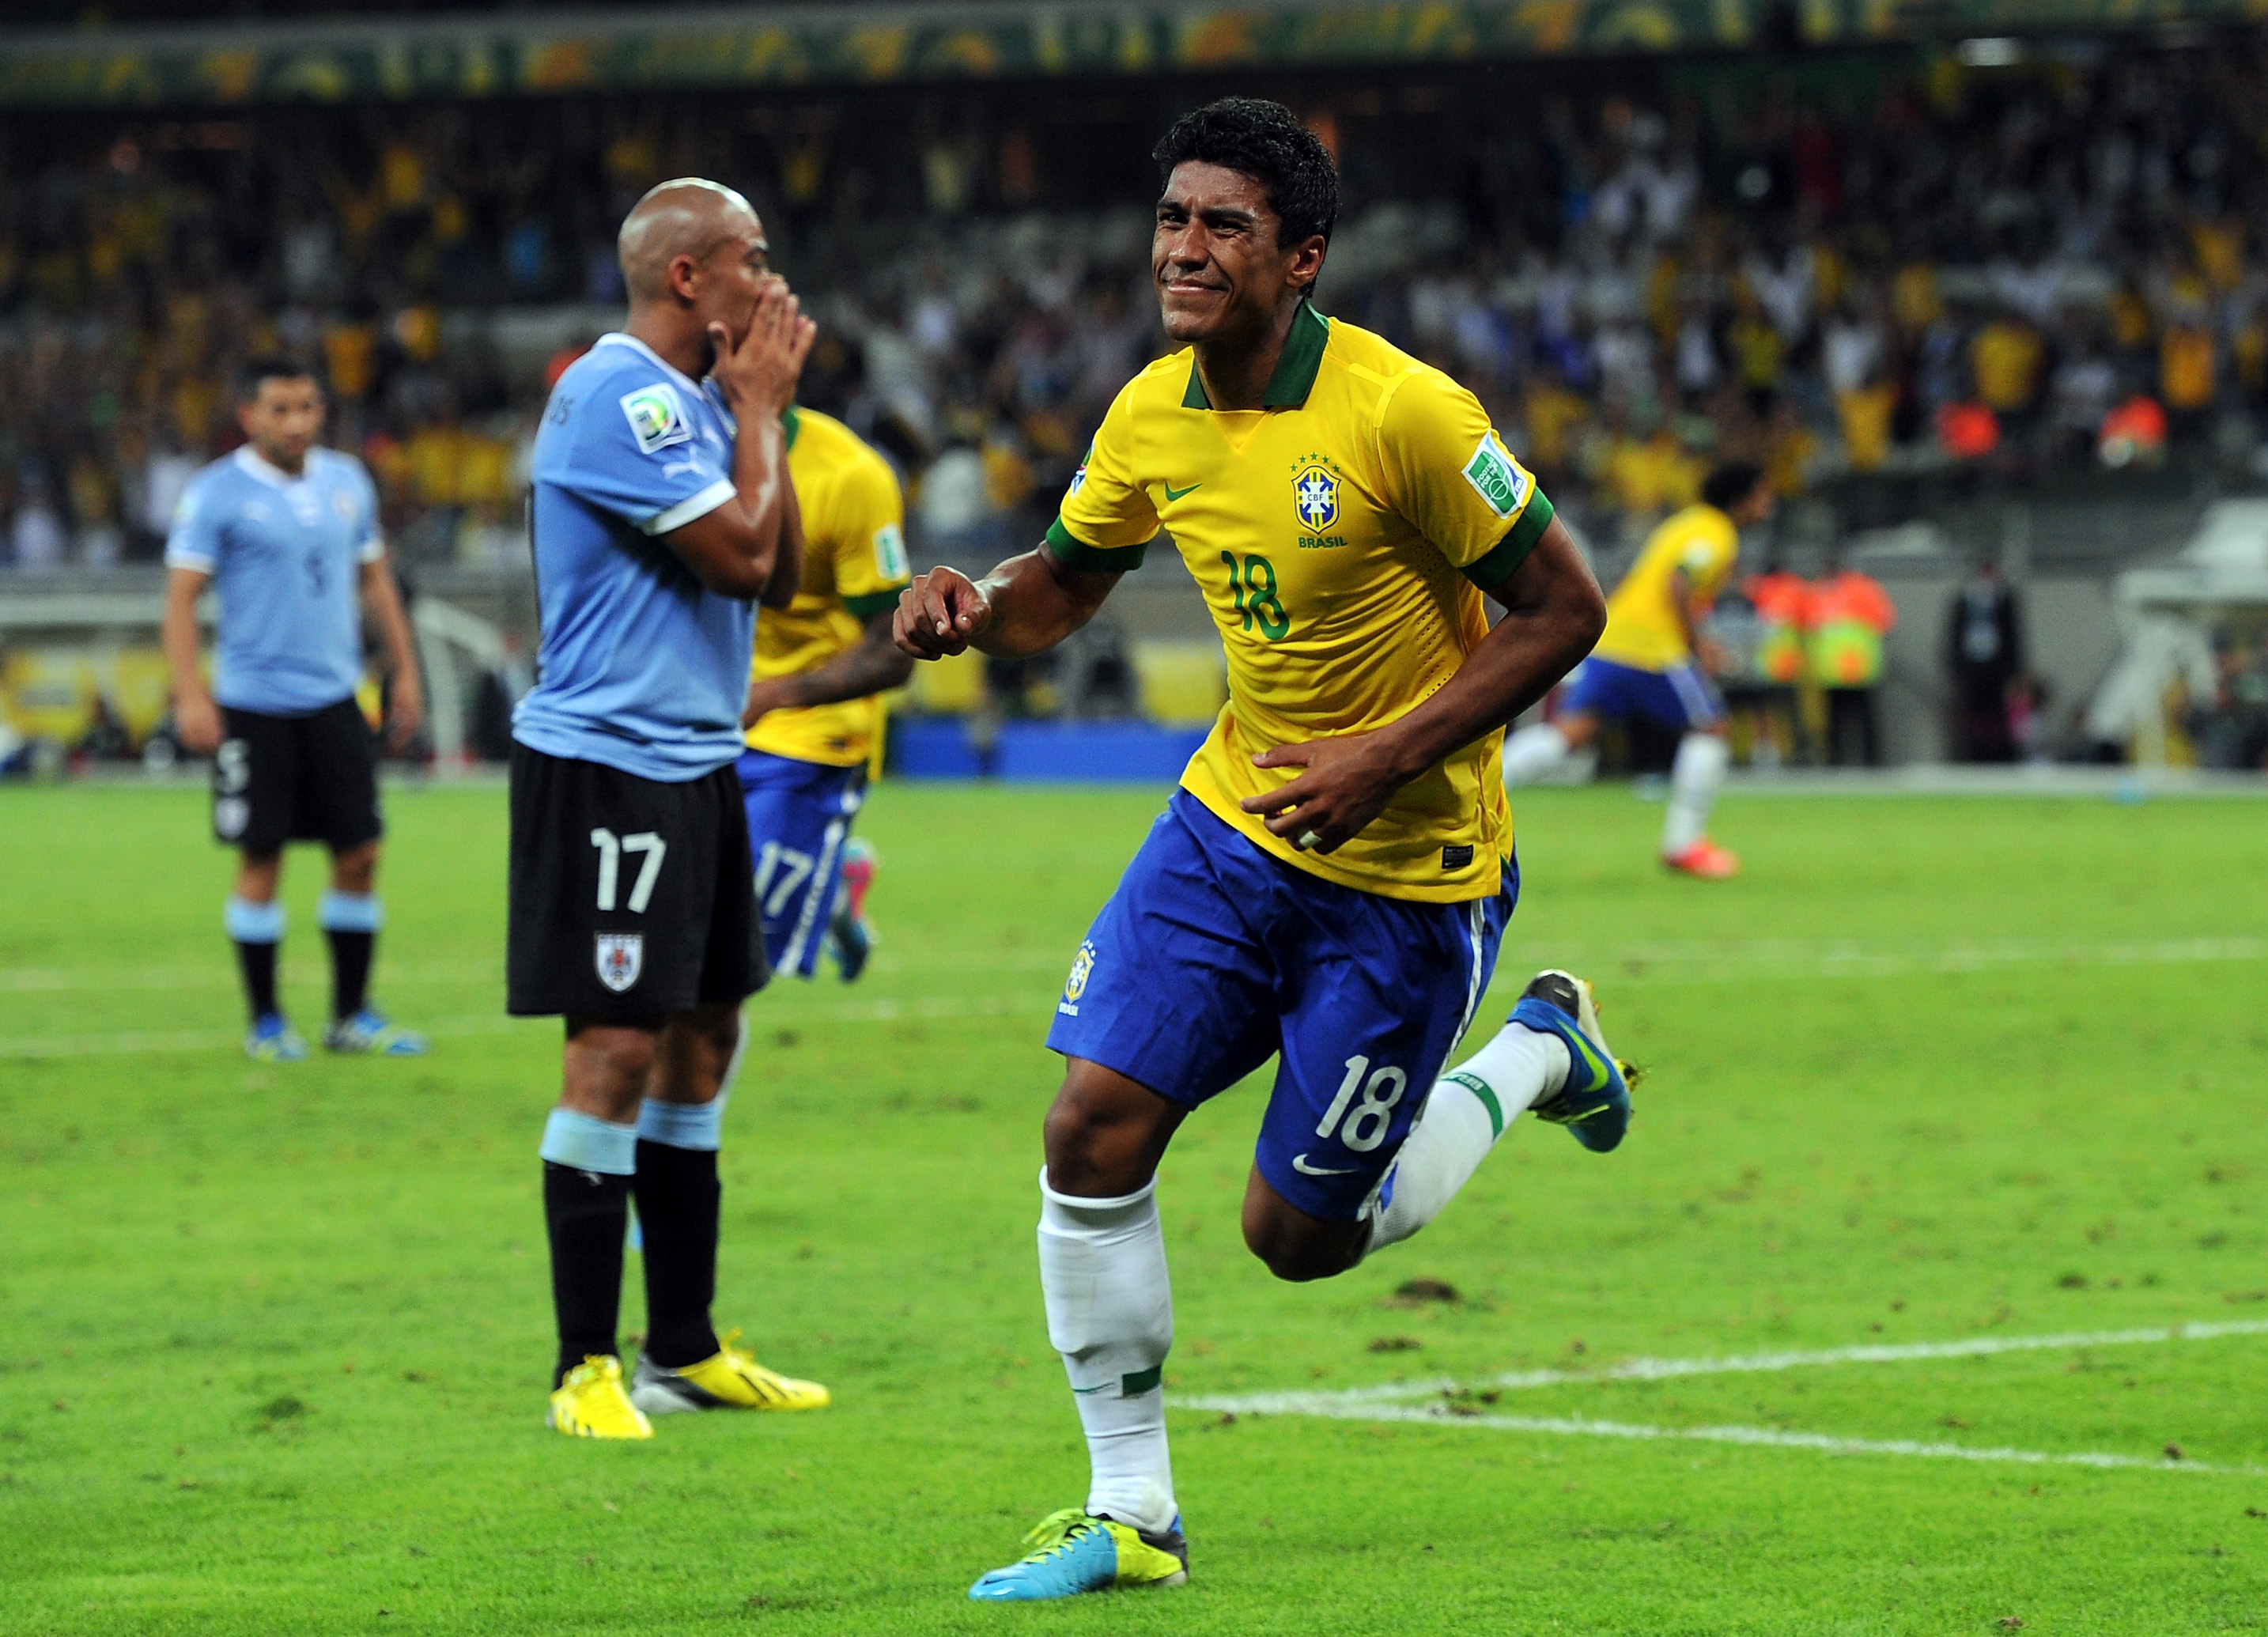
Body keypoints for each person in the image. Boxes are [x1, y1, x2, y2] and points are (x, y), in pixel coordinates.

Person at [893, 98, 1631, 1601]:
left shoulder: (1405, 414)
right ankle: (1132, 1512)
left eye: (1223, 225)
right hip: (1230, 829)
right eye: (1172, 218)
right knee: (1089, 1129)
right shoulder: (1149, 412)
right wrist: (975, 603)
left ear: (1301, 259)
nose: (1185, 247)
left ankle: (1537, 1052)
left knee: (1298, 1238)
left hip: (1408, 876)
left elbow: (1568, 609)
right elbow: (1064, 585)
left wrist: (1385, 754)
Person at [508, 178, 829, 1441]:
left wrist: (762, 417)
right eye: (754, 256)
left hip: (694, 760)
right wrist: (757, 411)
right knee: (614, 1049)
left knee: (703, 1038)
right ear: (689, 276)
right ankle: (582, 1363)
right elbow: (743, 557)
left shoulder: (702, 402)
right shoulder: (620, 397)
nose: (773, 280)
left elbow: (782, 572)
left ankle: (682, 1348)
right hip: (610, 764)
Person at [161, 358, 427, 1061]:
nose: (296, 422)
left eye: (307, 407)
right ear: (249, 416)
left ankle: (350, 1017)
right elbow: (181, 601)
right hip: (253, 705)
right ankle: (267, 1022)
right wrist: (190, 692)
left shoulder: (348, 480)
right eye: (279, 409)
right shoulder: (216, 492)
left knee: (361, 853)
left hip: (336, 698)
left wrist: (405, 673)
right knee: (263, 859)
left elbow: (376, 582)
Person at [1500, 462, 1774, 878]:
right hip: (1652, 650)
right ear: (1741, 500)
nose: (1768, 506)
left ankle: (1480, 787)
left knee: (1569, 735)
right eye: (1762, 496)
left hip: (1612, 640)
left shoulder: (1686, 521)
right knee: (1712, 728)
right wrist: (1698, 644)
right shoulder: (1715, 533)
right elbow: (1679, 581)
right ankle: (1684, 845)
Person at [737, 406, 913, 982]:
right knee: (683, 912)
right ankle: (833, 886)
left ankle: (826, 879)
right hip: (704, 716)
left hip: (809, 733)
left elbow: (893, 648)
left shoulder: (849, 476)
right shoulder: (678, 448)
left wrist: (773, 695)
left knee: (733, 948)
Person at [1808, 555, 1897, 766]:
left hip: (1859, 668)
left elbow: (1884, 621)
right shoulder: (1819, 590)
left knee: (1864, 715)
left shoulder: (1861, 588)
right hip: (1832, 670)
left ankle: (1871, 761)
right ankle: (1837, 761)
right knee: (1835, 718)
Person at [1948, 558, 2023, 762]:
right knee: (1972, 712)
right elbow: (1954, 635)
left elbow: (2013, 636)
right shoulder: (1965, 600)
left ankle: (1998, 753)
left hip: (1996, 667)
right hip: (1971, 667)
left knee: (1997, 712)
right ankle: (1973, 752)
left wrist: (2015, 669)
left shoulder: (2005, 600)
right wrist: (1955, 667)